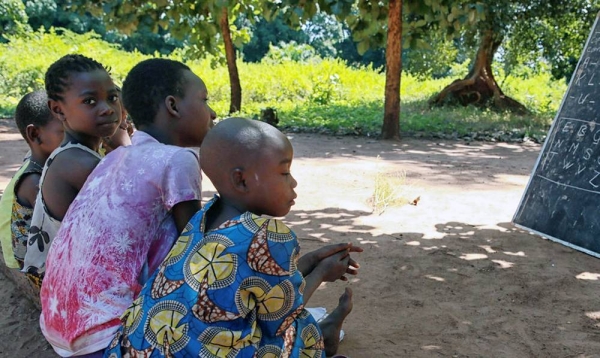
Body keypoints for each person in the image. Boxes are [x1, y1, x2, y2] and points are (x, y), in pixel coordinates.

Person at [104, 117, 360, 358]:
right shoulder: (268, 234)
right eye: (284, 173)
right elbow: (281, 315)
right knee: (296, 325)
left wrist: (311, 260)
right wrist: (321, 274)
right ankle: (320, 340)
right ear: (241, 180)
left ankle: (324, 334)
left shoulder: (204, 217)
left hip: (136, 347)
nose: (293, 183)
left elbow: (251, 282)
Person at [40, 58, 216, 357]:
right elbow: (197, 250)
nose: (212, 112)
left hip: (59, 323)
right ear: (172, 106)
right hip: (107, 334)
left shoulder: (112, 159)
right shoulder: (177, 159)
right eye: (204, 100)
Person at [22, 54, 121, 282]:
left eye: (113, 97)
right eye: (90, 101)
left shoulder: (73, 153)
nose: (108, 109)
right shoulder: (79, 163)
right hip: (75, 288)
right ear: (58, 110)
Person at [0, 91, 63, 271]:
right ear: (35, 133)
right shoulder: (34, 181)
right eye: (65, 132)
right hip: (39, 270)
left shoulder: (43, 163)